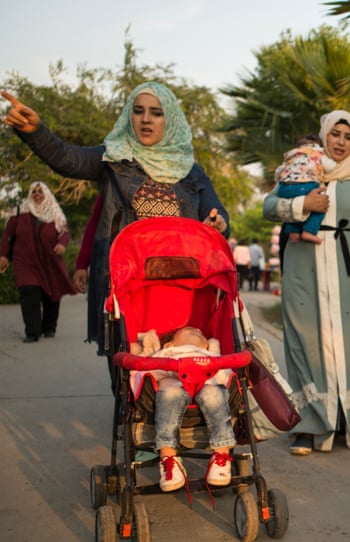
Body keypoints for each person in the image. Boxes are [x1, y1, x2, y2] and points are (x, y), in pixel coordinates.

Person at [2, 83, 230, 358]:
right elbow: (66, 158)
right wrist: (35, 132)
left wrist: (218, 224)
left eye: (156, 113)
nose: (146, 119)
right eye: (138, 111)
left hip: (179, 285)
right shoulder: (113, 159)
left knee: (180, 360)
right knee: (126, 366)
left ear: (169, 120)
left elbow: (217, 213)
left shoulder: (192, 172)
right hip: (125, 285)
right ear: (129, 116)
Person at [262, 110, 350, 454]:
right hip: (304, 269)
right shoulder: (305, 167)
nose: (340, 142)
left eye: (348, 137)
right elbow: (270, 206)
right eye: (335, 134)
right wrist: (302, 203)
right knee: (306, 340)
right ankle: (310, 423)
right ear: (324, 135)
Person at [131, 326, 236, 492]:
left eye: (200, 332)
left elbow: (227, 375)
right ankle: (169, 459)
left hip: (207, 383)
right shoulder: (167, 353)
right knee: (170, 394)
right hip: (174, 383)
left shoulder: (209, 355)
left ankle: (221, 455)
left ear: (207, 345)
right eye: (189, 330)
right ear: (169, 344)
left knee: (215, 393)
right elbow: (144, 372)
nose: (196, 330)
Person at [0, 181, 76, 342]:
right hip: (25, 261)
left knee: (51, 295)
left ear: (46, 193)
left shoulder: (55, 212)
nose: (37, 194)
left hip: (49, 260)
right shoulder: (20, 212)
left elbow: (64, 232)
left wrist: (62, 244)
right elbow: (8, 236)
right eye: (34, 191)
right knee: (29, 293)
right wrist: (3, 256)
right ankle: (32, 332)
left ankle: (49, 327)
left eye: (40, 191)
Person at [274, 134, 337, 244]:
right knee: (320, 205)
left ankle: (293, 232)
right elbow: (330, 166)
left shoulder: (292, 154)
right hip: (305, 185)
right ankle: (309, 231)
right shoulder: (318, 152)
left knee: (291, 208)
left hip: (284, 186)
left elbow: (278, 172)